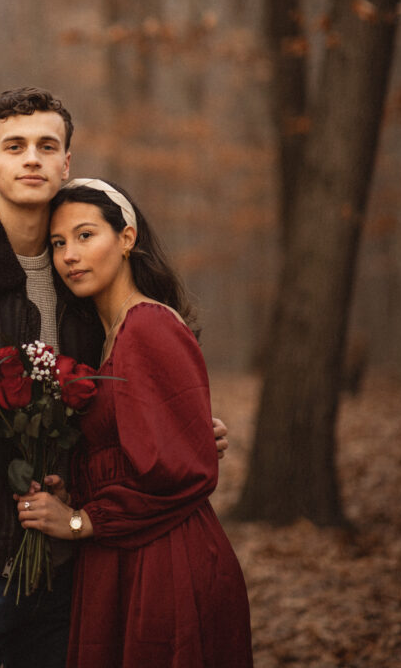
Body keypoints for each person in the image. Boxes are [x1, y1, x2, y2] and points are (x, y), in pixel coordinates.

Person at [0, 88, 229, 668]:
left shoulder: (82, 281)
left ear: (66, 163)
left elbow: (114, 405)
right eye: (15, 145)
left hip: (73, 577)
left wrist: (182, 428)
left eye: (46, 145)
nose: (32, 158)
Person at [15, 178, 253, 668]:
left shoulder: (147, 325)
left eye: (85, 236)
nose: (69, 256)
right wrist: (75, 487)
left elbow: (178, 473)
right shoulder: (112, 333)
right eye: (58, 243)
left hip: (163, 564)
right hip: (124, 556)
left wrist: (81, 522)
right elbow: (143, 450)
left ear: (126, 239)